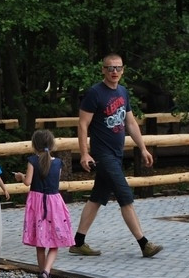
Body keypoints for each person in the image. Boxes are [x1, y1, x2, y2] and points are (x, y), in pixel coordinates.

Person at [69, 53, 163, 258]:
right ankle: (144, 244)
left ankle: (78, 242)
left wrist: (143, 148)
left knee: (97, 198)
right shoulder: (95, 93)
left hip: (116, 155)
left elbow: (130, 123)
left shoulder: (122, 92)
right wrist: (84, 153)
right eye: (110, 68)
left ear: (123, 70)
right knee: (125, 196)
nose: (114, 72)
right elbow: (83, 124)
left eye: (118, 68)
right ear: (103, 69)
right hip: (102, 155)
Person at [14, 129, 74, 278]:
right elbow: (54, 180)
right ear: (52, 144)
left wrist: (20, 177)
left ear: (34, 145)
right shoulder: (58, 163)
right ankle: (46, 274)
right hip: (54, 202)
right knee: (55, 242)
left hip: (37, 202)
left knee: (40, 243)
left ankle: (43, 275)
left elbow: (28, 182)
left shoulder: (32, 161)